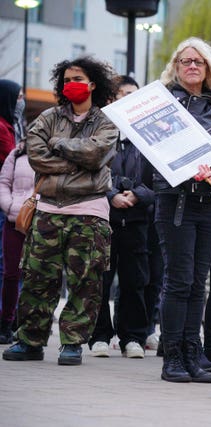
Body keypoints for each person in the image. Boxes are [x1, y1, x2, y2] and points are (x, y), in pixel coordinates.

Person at [2, 56, 118, 365]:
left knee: (85, 281)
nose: (71, 85)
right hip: (48, 210)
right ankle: (30, 341)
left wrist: (59, 145)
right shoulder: (48, 117)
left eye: (77, 79)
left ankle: (72, 343)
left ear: (92, 84)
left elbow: (97, 154)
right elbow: (35, 155)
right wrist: (77, 160)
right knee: (38, 277)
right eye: (66, 80)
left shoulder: (106, 122)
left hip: (90, 212)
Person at [154, 37, 211, 383]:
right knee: (178, 281)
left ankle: (193, 355)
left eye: (199, 61)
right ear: (176, 67)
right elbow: (147, 151)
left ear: (208, 68)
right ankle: (172, 357)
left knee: (198, 284)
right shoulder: (162, 103)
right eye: (185, 61)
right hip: (175, 201)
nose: (192, 66)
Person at [89, 76, 154, 359]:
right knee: (101, 278)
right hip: (104, 217)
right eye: (123, 94)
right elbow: (93, 170)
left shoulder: (151, 135)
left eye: (134, 95)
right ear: (112, 100)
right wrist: (112, 193)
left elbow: (159, 176)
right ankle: (100, 335)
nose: (129, 99)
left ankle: (133, 336)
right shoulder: (101, 133)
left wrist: (139, 194)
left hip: (139, 218)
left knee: (135, 281)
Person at [0, 141, 34, 344]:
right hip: (15, 220)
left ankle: (32, 325)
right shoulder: (17, 153)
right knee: (11, 274)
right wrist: (9, 205)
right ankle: (6, 322)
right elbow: (4, 182)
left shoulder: (53, 154)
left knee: (38, 276)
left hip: (42, 220)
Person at [0, 79, 23, 343]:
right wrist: (9, 206)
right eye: (18, 97)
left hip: (17, 210)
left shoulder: (12, 126)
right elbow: (9, 163)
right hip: (9, 211)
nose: (21, 102)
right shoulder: (3, 129)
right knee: (8, 268)